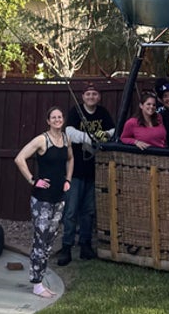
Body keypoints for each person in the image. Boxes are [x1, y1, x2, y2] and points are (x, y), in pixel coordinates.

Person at [14, 107, 73, 299]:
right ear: (48, 121)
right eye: (53, 117)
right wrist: (33, 179)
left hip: (59, 198)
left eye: (59, 117)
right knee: (40, 240)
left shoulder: (66, 139)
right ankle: (37, 283)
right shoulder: (42, 140)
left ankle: (40, 280)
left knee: (49, 241)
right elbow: (20, 158)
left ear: (62, 119)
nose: (57, 120)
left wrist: (68, 180)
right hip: (42, 199)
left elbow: (70, 159)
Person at [59, 84, 114, 266]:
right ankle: (66, 247)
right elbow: (70, 133)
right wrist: (91, 138)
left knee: (88, 211)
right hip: (75, 170)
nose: (91, 96)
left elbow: (113, 131)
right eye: (88, 93)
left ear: (98, 97)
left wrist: (103, 134)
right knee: (71, 210)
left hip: (94, 170)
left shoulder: (103, 113)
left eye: (94, 93)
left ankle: (85, 245)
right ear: (83, 97)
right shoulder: (76, 112)